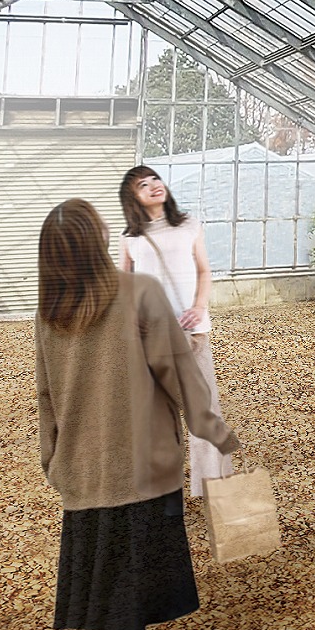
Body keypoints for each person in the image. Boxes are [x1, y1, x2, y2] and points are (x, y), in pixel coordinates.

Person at [35, 199, 242, 630]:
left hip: (80, 467)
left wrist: (53, 459)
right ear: (97, 240)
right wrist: (215, 431)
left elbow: (45, 394)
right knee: (129, 570)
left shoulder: (49, 312)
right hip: (142, 463)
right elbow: (178, 372)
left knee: (90, 570)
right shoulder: (138, 292)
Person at [119, 165, 233, 498]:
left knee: (205, 411)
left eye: (155, 179)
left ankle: (214, 491)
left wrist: (199, 307)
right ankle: (161, 496)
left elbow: (204, 271)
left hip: (191, 333)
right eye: (143, 184)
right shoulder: (131, 238)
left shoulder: (189, 225)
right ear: (133, 199)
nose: (154, 185)